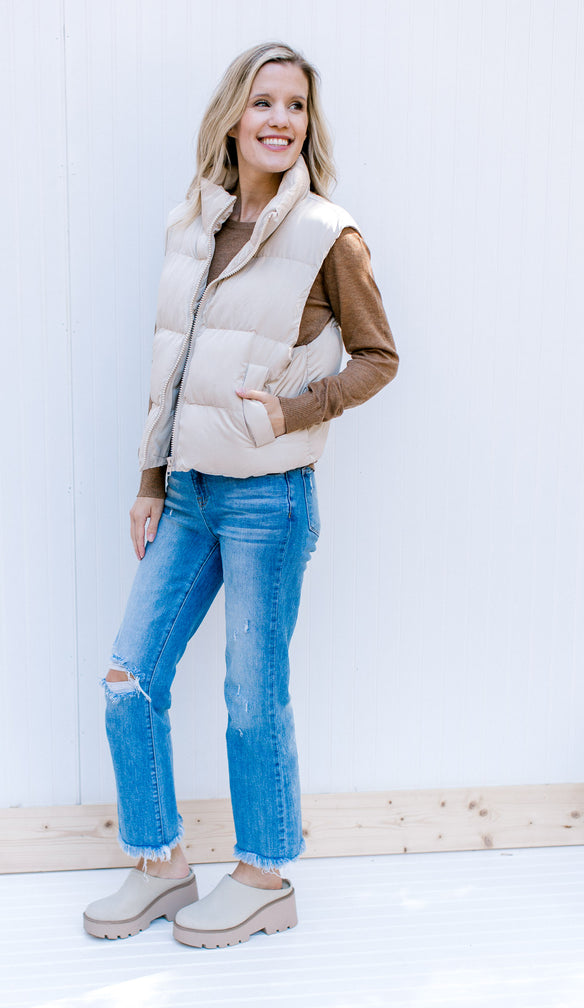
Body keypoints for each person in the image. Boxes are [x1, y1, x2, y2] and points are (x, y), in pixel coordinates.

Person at [83, 41, 398, 949]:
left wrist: (293, 410)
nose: (280, 120)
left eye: (296, 106)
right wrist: (149, 478)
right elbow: (168, 368)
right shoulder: (193, 224)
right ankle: (160, 864)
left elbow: (379, 357)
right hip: (187, 496)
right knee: (128, 680)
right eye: (264, 102)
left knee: (252, 694)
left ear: (309, 123)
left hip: (270, 496)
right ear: (233, 114)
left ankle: (264, 875)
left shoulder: (326, 233)